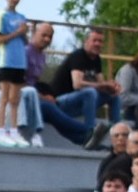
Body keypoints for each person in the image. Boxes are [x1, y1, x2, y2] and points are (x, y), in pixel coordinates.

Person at [25, 21, 108, 151]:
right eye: (43, 35)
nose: (47, 39)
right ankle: (89, 131)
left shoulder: (41, 55)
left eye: (50, 37)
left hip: (36, 97)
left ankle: (88, 141)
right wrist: (41, 97)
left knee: (54, 115)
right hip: (22, 99)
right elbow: (18, 83)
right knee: (49, 108)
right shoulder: (25, 52)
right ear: (34, 34)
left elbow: (34, 83)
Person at [49, 26, 122, 128]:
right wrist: (102, 85)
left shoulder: (96, 59)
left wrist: (111, 87)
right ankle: (89, 130)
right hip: (61, 102)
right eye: (94, 40)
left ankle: (117, 129)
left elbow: (101, 84)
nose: (97, 44)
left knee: (114, 95)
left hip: (79, 103)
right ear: (86, 41)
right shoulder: (78, 56)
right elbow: (77, 84)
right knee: (90, 92)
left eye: (100, 41)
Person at [0, 0, 29, 151]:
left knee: (15, 99)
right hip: (7, 61)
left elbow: (25, 41)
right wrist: (17, 32)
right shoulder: (2, 15)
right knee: (4, 97)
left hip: (19, 62)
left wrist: (24, 32)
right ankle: (1, 131)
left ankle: (14, 131)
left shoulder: (22, 17)